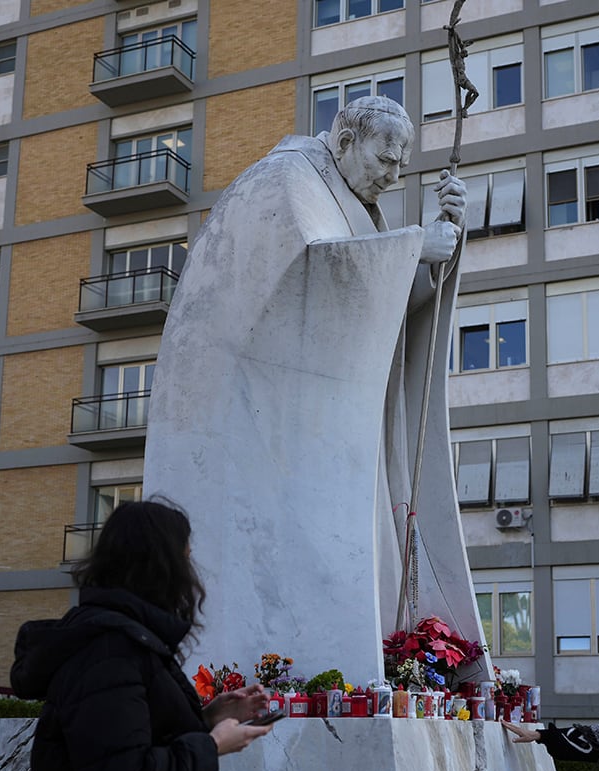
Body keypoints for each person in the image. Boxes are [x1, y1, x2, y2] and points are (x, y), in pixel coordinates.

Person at [144, 95, 488, 685]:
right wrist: (411, 247)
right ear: (345, 139)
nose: (392, 174)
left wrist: (440, 247)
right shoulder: (285, 179)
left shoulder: (358, 206)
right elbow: (306, 275)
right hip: (263, 425)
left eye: (401, 166)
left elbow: (388, 315)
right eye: (384, 159)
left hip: (329, 425)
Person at [10, 499, 274, 771]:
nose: (191, 572)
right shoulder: (108, 652)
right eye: (185, 557)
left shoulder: (121, 641)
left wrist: (209, 718)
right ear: (161, 567)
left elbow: (128, 740)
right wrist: (211, 746)